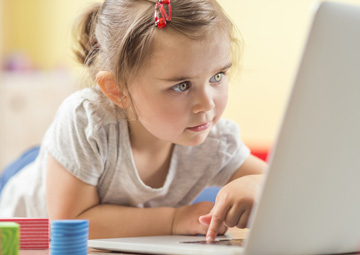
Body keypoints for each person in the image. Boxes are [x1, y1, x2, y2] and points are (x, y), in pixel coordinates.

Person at [0, 0, 266, 241]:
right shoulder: (86, 120)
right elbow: (70, 223)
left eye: (217, 77)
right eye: (182, 86)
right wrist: (173, 220)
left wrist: (255, 183)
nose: (207, 104)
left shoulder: (214, 141)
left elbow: (284, 180)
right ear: (118, 89)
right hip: (22, 224)